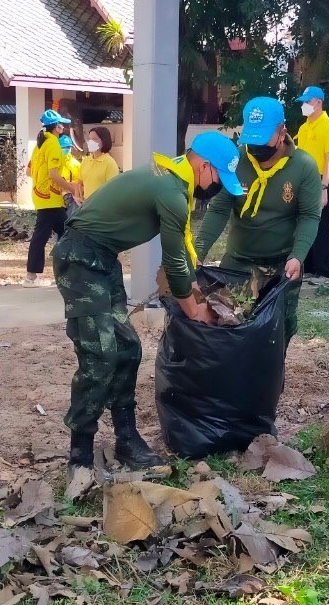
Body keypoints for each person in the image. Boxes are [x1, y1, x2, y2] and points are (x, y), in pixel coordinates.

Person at [54, 131, 245, 498]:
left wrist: (193, 291)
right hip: (79, 258)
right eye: (219, 177)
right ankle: (79, 456)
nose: (217, 186)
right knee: (100, 355)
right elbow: (173, 261)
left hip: (101, 259)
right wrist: (194, 310)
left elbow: (182, 254)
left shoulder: (173, 180)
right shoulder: (171, 192)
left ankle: (127, 440)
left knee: (127, 348)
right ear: (204, 166)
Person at [194, 96, 322, 347]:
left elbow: (309, 216)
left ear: (282, 132)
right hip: (239, 262)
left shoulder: (303, 166)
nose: (256, 147)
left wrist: (298, 255)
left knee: (281, 326)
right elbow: (219, 209)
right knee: (230, 322)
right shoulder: (237, 160)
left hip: (283, 264)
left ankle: (271, 380)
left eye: (262, 140)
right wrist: (199, 249)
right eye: (251, 140)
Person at [26, 110, 80, 287]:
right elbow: (54, 174)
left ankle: (68, 273)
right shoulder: (53, 145)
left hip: (43, 197)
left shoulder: (39, 145)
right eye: (61, 124)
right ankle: (32, 277)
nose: (63, 127)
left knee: (67, 233)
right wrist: (72, 188)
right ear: (56, 127)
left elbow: (28, 171)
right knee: (44, 237)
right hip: (50, 198)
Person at [293, 86, 329, 281]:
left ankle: (322, 270)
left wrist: (324, 188)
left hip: (321, 178)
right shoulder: (304, 128)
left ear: (318, 102)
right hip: (303, 177)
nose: (304, 106)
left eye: (307, 102)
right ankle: (309, 267)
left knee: (321, 224)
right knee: (305, 222)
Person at [79, 126, 120, 202]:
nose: (90, 142)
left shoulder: (109, 163)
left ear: (103, 141)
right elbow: (80, 182)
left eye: (94, 139)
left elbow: (112, 190)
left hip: (101, 207)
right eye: (90, 139)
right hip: (85, 206)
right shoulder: (86, 161)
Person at [60, 134, 82, 213]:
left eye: (68, 147)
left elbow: (79, 183)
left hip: (71, 196)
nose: (66, 149)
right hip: (57, 196)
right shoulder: (55, 163)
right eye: (63, 147)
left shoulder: (76, 164)